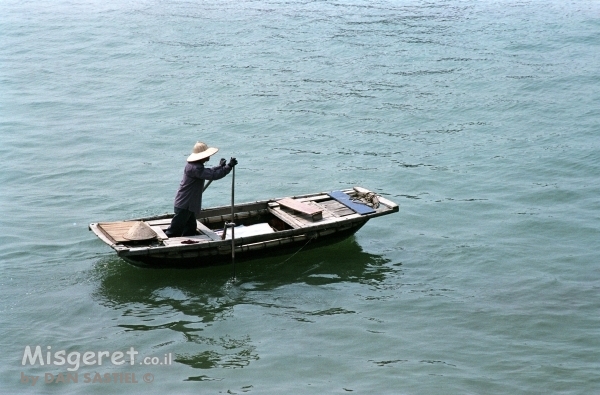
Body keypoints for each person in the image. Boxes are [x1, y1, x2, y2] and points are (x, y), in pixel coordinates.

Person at [165, 141, 238, 237]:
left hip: (187, 204)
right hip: (186, 204)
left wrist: (220, 166)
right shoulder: (195, 168)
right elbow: (213, 175)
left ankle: (189, 243)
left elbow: (209, 171)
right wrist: (228, 167)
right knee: (175, 229)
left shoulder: (195, 166)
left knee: (190, 227)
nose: (209, 157)